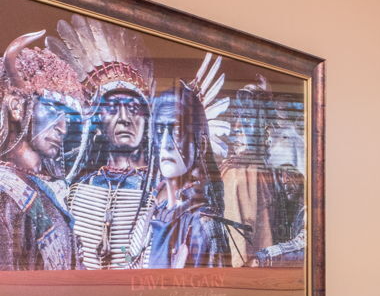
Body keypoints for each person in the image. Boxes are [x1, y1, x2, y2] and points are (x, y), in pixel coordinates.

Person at [53, 15, 155, 270]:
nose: (124, 119)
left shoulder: (159, 193)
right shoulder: (73, 192)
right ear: (97, 123)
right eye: (112, 109)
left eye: (134, 108)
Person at [0, 32, 82, 271]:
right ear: (17, 107)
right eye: (53, 109)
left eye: (67, 116)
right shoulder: (6, 193)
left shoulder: (45, 188)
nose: (63, 127)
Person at [141, 79, 245, 268]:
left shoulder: (203, 224)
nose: (166, 143)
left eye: (177, 131)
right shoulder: (150, 210)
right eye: (159, 130)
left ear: (201, 144)